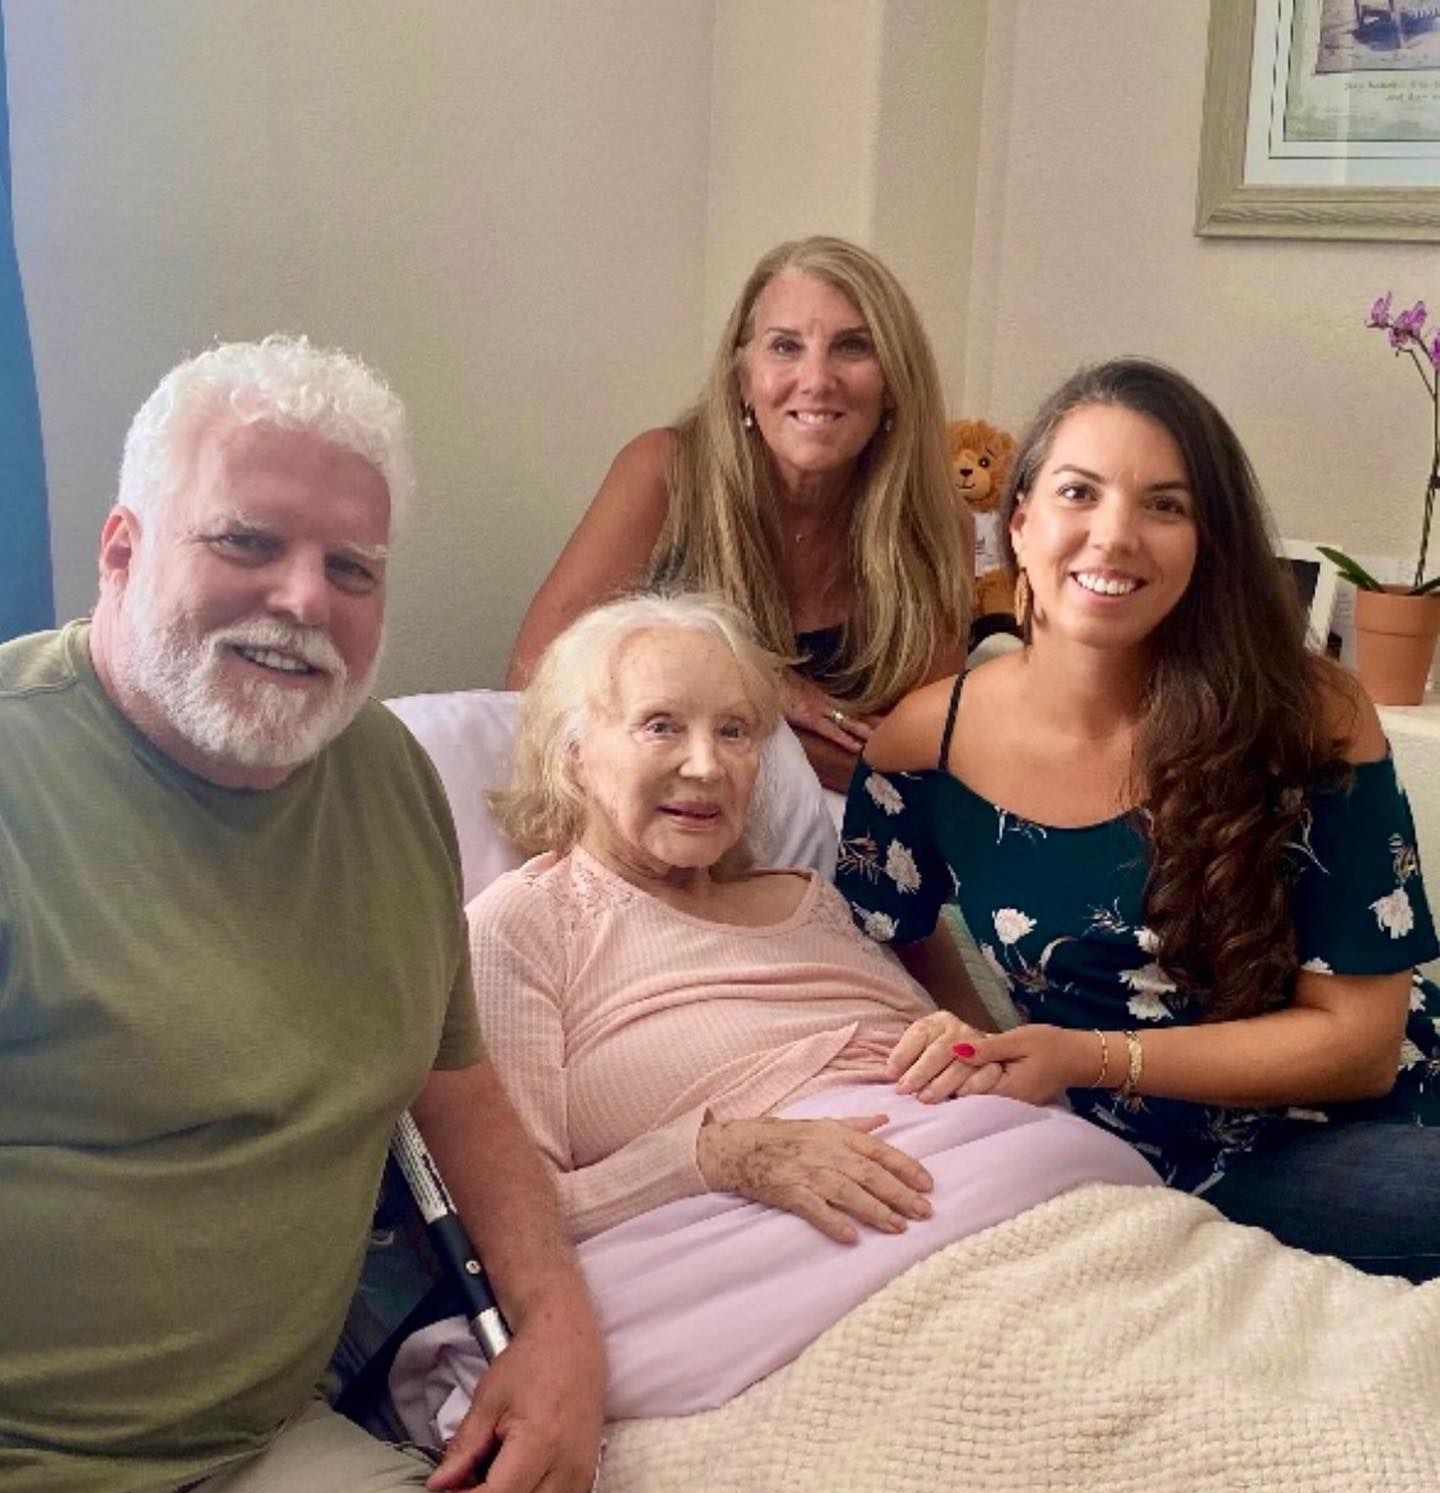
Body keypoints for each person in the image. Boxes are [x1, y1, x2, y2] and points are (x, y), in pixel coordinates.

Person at [0, 336, 654, 1493]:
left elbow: (457, 1082)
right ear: (120, 548)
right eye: (248, 542)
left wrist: (559, 1330)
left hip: (238, 1479)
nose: (302, 600)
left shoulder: (383, 782)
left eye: (349, 569)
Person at [837, 356, 1440, 1281]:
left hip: (1363, 1111)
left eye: (1165, 505)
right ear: (1022, 522)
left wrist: (1083, 1056)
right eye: (1080, 492)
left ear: (1208, 541)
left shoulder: (1309, 713)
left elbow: (1358, 1046)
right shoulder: (925, 742)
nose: (1114, 537)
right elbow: (884, 933)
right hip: (1133, 1148)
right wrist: (989, 1054)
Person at [469, 592, 1147, 1258]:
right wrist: (719, 1154)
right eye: (661, 726)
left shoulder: (814, 901)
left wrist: (963, 1054)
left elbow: (971, 1070)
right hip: (801, 1257)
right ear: (572, 753)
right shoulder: (520, 929)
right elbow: (515, 1216)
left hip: (1023, 1186)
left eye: (733, 732)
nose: (707, 766)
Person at [503, 236, 972, 793]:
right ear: (743, 376)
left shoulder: (939, 526)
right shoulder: (664, 473)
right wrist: (763, 686)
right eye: (784, 347)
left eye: (852, 347)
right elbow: (532, 678)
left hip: (851, 849)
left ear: (895, 381)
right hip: (663, 824)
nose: (817, 380)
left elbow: (921, 768)